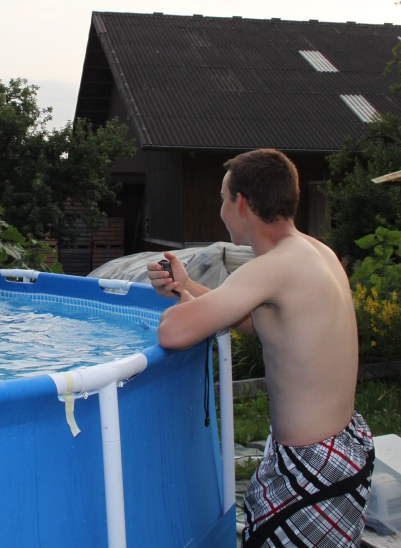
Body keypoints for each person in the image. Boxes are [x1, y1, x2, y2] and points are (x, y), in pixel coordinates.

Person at [149, 149, 373, 548]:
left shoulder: (273, 267)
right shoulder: (316, 252)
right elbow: (261, 321)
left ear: (241, 203)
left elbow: (172, 332)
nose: (221, 210)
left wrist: (174, 307)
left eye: (223, 199)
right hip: (341, 447)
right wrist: (185, 288)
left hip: (312, 466)